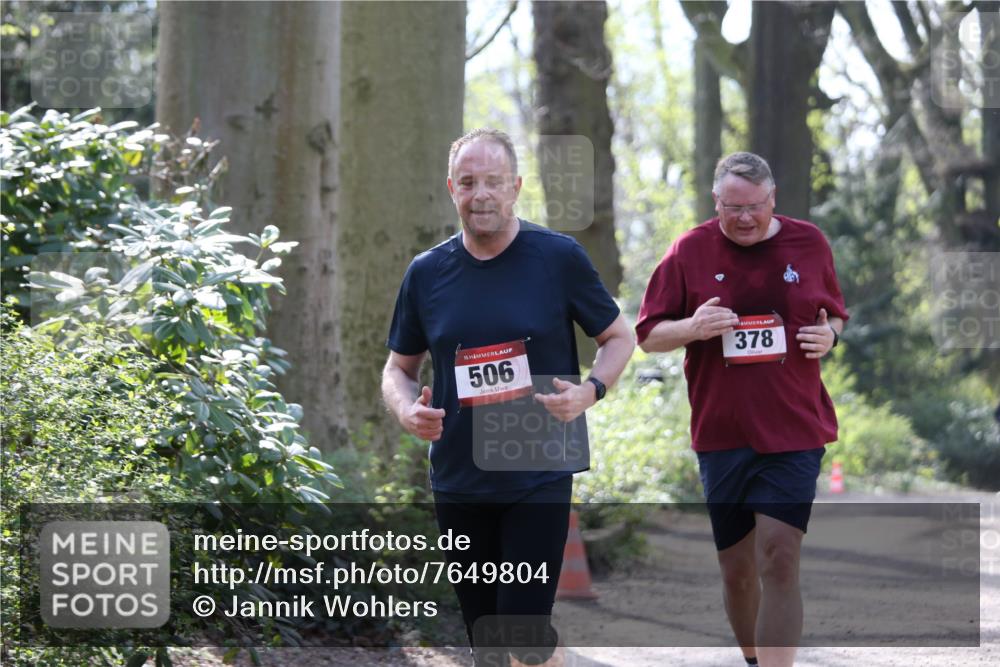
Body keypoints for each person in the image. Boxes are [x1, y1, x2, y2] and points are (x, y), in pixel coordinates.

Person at [382, 128, 634, 667]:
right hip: (458, 475)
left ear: (515, 186)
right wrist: (407, 409)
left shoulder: (558, 257)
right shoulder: (426, 274)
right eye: (469, 183)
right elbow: (398, 369)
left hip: (538, 467)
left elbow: (619, 335)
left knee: (518, 626)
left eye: (493, 181)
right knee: (485, 640)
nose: (481, 195)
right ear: (452, 188)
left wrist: (590, 392)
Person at [635, 152, 848, 667]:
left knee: (779, 557)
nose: (746, 218)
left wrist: (829, 337)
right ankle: (753, 659)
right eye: (734, 208)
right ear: (716, 202)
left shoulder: (809, 243)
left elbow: (835, 316)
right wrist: (693, 328)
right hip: (722, 433)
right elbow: (647, 335)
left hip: (794, 429)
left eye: (755, 206)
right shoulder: (689, 250)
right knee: (737, 568)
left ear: (773, 199)